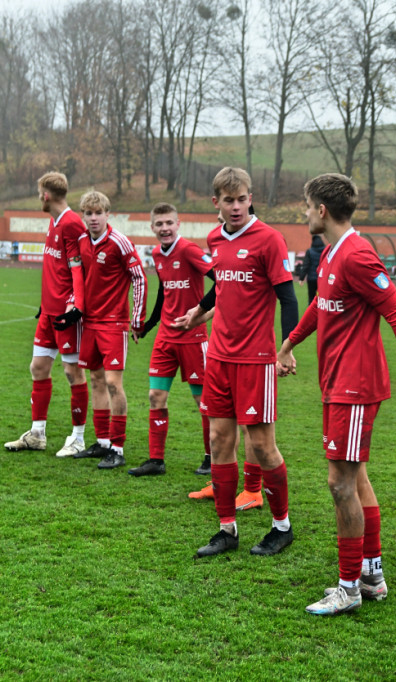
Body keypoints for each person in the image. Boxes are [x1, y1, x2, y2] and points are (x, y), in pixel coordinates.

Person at [276, 174, 396, 615]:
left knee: (339, 485)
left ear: (321, 210)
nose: (303, 213)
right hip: (337, 382)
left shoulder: (357, 254)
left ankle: (349, 586)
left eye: (306, 206)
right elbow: (321, 306)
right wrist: (289, 343)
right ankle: (371, 576)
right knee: (355, 480)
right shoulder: (332, 253)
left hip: (355, 386)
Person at [175, 167, 299, 559]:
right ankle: (226, 529)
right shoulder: (215, 238)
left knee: (262, 447)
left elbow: (289, 297)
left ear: (251, 198)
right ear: (216, 203)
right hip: (219, 357)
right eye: (227, 200)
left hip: (256, 360)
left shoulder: (269, 240)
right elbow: (222, 285)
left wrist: (287, 347)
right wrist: (198, 311)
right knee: (218, 440)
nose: (235, 206)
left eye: (241, 199)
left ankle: (282, 527)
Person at [4, 172, 90, 456]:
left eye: (39, 192)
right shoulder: (54, 222)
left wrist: (76, 304)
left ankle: (78, 438)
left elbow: (80, 267)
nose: (38, 197)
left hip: (66, 313)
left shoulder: (71, 224)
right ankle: (37, 433)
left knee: (72, 372)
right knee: (38, 367)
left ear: (46, 195)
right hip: (48, 313)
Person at [130, 203, 212, 477]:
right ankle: (156, 460)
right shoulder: (156, 253)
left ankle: (212, 457)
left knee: (203, 402)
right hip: (165, 338)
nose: (164, 228)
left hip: (193, 338)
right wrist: (149, 326)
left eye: (169, 223)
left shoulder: (189, 250)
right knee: (155, 396)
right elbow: (164, 291)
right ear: (152, 228)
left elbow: (220, 279)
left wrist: (202, 313)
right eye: (159, 224)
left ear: (178, 224)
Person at [72, 190, 146, 470]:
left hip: (114, 324)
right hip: (89, 322)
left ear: (107, 214)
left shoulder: (120, 242)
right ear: (84, 216)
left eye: (98, 213)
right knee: (96, 381)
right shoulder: (81, 241)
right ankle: (102, 442)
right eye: (88, 213)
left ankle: (118, 446)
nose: (93, 218)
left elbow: (139, 278)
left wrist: (137, 320)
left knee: (114, 384)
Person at [299, 235, 325, 304]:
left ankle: (311, 312)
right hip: (323, 278)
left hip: (311, 278)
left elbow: (306, 265)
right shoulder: (326, 250)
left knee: (311, 297)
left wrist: (301, 278)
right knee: (323, 297)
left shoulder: (309, 251)